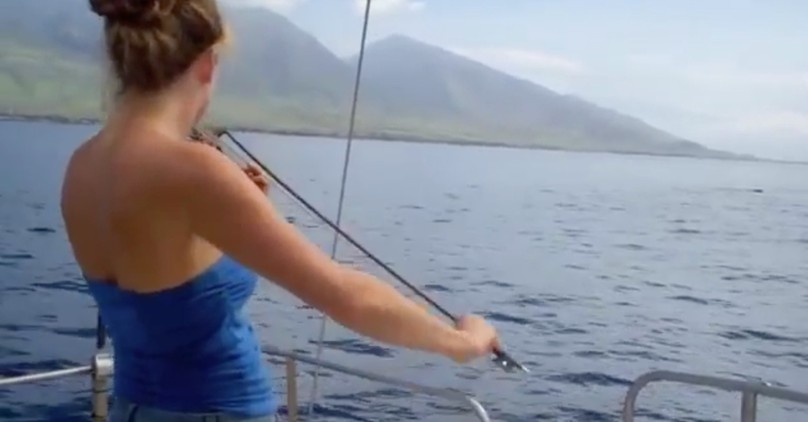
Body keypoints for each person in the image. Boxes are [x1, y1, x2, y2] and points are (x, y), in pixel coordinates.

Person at [60, 0, 501, 421]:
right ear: (208, 64)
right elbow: (345, 295)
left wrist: (233, 207)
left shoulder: (82, 166)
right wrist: (459, 342)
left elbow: (161, 284)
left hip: (131, 410)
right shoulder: (195, 170)